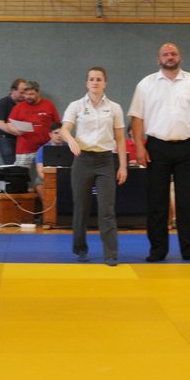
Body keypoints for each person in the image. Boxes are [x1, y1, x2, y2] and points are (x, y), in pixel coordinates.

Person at [129, 43, 190, 263]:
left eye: (173, 54)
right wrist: (139, 145)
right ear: (158, 59)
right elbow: (137, 118)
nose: (170, 57)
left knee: (186, 201)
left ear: (180, 57)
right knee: (157, 201)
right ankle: (158, 249)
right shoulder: (146, 84)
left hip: (187, 146)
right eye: (165, 54)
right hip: (156, 147)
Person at [61, 67, 127, 265]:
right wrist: (70, 140)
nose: (95, 82)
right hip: (82, 160)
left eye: (99, 79)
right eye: (91, 79)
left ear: (105, 83)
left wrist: (123, 166)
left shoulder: (114, 108)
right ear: (86, 83)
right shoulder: (76, 105)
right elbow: (65, 129)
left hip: (105, 161)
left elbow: (120, 139)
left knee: (107, 208)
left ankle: (111, 254)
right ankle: (80, 247)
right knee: (81, 207)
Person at [8, 80, 60, 167]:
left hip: (46, 147)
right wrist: (15, 131)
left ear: (38, 93)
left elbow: (57, 125)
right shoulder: (19, 107)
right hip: (24, 148)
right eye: (26, 94)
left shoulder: (49, 105)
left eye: (31, 94)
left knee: (49, 173)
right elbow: (9, 123)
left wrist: (55, 138)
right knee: (20, 173)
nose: (28, 97)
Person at [0, 78, 26, 165]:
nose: (23, 95)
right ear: (13, 90)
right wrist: (14, 132)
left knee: (23, 168)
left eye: (25, 92)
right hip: (7, 139)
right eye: (21, 93)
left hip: (23, 140)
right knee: (11, 167)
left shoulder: (25, 104)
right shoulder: (3, 102)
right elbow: (0, 124)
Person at [34, 122, 64, 203]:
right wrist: (52, 181)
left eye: (61, 133)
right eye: (56, 133)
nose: (59, 136)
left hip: (64, 177)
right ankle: (48, 207)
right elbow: (40, 171)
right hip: (46, 177)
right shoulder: (42, 149)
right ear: (50, 134)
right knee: (39, 185)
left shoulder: (69, 148)